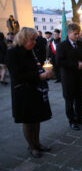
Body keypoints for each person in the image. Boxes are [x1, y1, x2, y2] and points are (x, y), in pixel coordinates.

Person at [6, 27, 53, 158]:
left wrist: (44, 72)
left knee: (36, 118)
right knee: (28, 120)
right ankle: (32, 146)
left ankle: (37, 143)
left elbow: (36, 67)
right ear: (24, 38)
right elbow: (17, 75)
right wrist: (39, 76)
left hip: (35, 89)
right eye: (32, 39)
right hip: (23, 92)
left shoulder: (30, 51)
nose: (35, 42)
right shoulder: (12, 53)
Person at [56, 23, 82, 130]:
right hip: (68, 78)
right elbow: (59, 61)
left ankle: (79, 118)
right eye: (75, 34)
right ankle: (72, 121)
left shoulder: (80, 44)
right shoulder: (62, 45)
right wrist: (75, 65)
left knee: (79, 99)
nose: (77, 36)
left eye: (78, 34)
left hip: (79, 77)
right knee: (69, 100)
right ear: (69, 33)